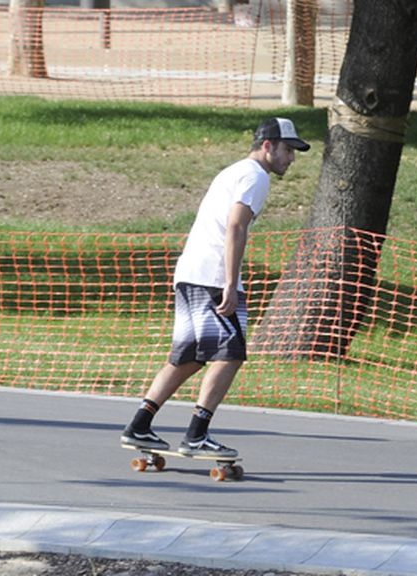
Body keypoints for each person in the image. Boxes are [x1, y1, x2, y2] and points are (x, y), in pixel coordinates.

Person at [120, 118, 310, 456]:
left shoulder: (233, 171)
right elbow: (235, 226)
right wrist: (230, 284)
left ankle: (139, 425)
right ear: (268, 145)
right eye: (287, 149)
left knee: (189, 358)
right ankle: (197, 434)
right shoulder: (255, 176)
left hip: (190, 272)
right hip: (212, 276)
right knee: (230, 354)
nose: (291, 159)